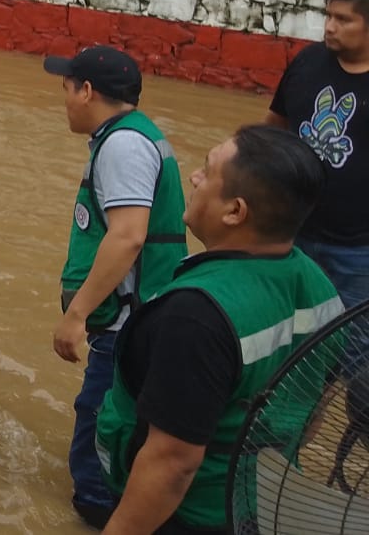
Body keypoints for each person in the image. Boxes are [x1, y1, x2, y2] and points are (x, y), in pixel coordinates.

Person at [95, 126, 343, 535]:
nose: (194, 178)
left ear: (234, 211)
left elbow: (172, 464)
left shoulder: (196, 316)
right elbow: (315, 410)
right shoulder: (321, 286)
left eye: (208, 173)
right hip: (260, 505)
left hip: (187, 515)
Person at [43, 45, 189, 529]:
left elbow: (128, 236)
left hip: (129, 318)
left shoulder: (123, 146)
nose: (63, 98)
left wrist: (76, 314)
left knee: (102, 420)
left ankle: (100, 512)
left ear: (87, 91)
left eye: (66, 87)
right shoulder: (127, 137)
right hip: (144, 311)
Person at [264, 0, 369, 306]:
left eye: (343, 19)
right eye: (328, 16)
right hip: (292, 229)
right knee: (285, 325)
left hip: (358, 251)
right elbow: (273, 132)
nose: (329, 27)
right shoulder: (307, 63)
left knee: (352, 349)